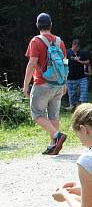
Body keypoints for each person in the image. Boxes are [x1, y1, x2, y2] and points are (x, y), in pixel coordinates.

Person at [22, 12, 68, 155]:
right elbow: (65, 63)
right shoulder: (60, 41)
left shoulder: (36, 41)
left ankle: (57, 136)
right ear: (51, 25)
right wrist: (65, 83)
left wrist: (25, 85)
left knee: (37, 114)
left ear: (37, 25)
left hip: (42, 84)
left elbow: (32, 64)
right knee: (53, 115)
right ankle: (53, 146)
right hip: (58, 84)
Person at [66, 39, 91, 110]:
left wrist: (79, 61)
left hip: (81, 77)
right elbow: (64, 63)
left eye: (77, 47)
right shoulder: (68, 52)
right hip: (70, 77)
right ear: (73, 45)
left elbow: (88, 62)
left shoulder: (83, 52)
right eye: (75, 47)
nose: (76, 49)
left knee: (84, 91)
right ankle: (73, 106)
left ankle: (83, 107)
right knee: (72, 94)